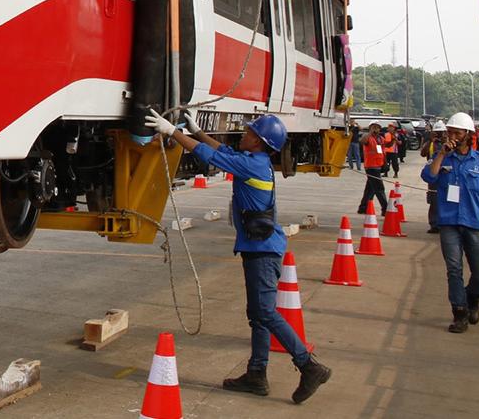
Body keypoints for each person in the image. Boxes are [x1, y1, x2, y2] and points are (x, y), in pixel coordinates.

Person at [146, 109, 331, 404]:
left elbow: (213, 157)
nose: (243, 134)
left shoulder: (253, 166)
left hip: (263, 251)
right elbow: (223, 150)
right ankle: (256, 374)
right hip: (259, 248)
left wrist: (173, 132)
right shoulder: (255, 161)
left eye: (249, 132)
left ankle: (309, 365)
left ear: (258, 142)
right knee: (257, 314)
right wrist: (196, 131)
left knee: (266, 313)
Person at [422, 112, 479, 333]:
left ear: (468, 135)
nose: (452, 136)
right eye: (449, 132)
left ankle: (473, 299)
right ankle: (459, 312)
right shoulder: (444, 158)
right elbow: (429, 176)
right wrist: (442, 155)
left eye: (456, 132)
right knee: (454, 269)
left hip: (474, 222)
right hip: (449, 222)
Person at [420, 121, 447, 233]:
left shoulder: (448, 142)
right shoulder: (431, 143)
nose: (439, 135)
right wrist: (430, 140)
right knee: (434, 200)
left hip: (445, 174)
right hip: (433, 174)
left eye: (441, 133)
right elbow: (423, 153)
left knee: (446, 199)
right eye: (437, 133)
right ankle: (434, 224)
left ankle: (444, 222)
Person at [358, 123, 388, 216]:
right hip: (371, 166)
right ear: (370, 128)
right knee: (379, 188)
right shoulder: (368, 137)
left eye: (377, 128)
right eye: (374, 128)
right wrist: (369, 133)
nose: (376, 129)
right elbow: (362, 141)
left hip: (378, 166)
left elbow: (384, 150)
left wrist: (385, 164)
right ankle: (385, 208)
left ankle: (363, 207)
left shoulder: (380, 139)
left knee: (370, 189)